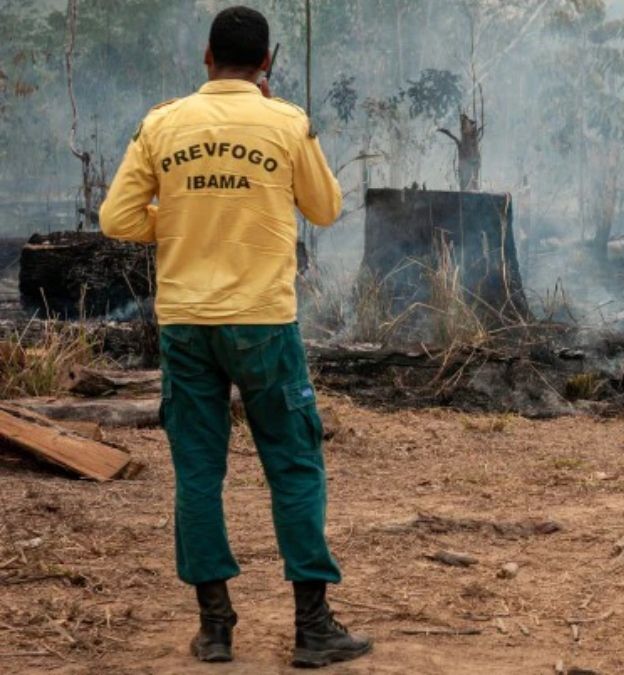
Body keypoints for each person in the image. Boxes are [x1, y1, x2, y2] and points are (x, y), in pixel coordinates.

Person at [98, 6, 370, 668]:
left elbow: (117, 217)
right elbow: (327, 208)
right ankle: (312, 626)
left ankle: (215, 627)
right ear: (268, 63)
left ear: (206, 58)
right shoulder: (284, 122)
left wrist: (183, 215)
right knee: (294, 462)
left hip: (188, 323)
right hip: (264, 323)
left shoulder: (163, 123)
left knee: (198, 469)